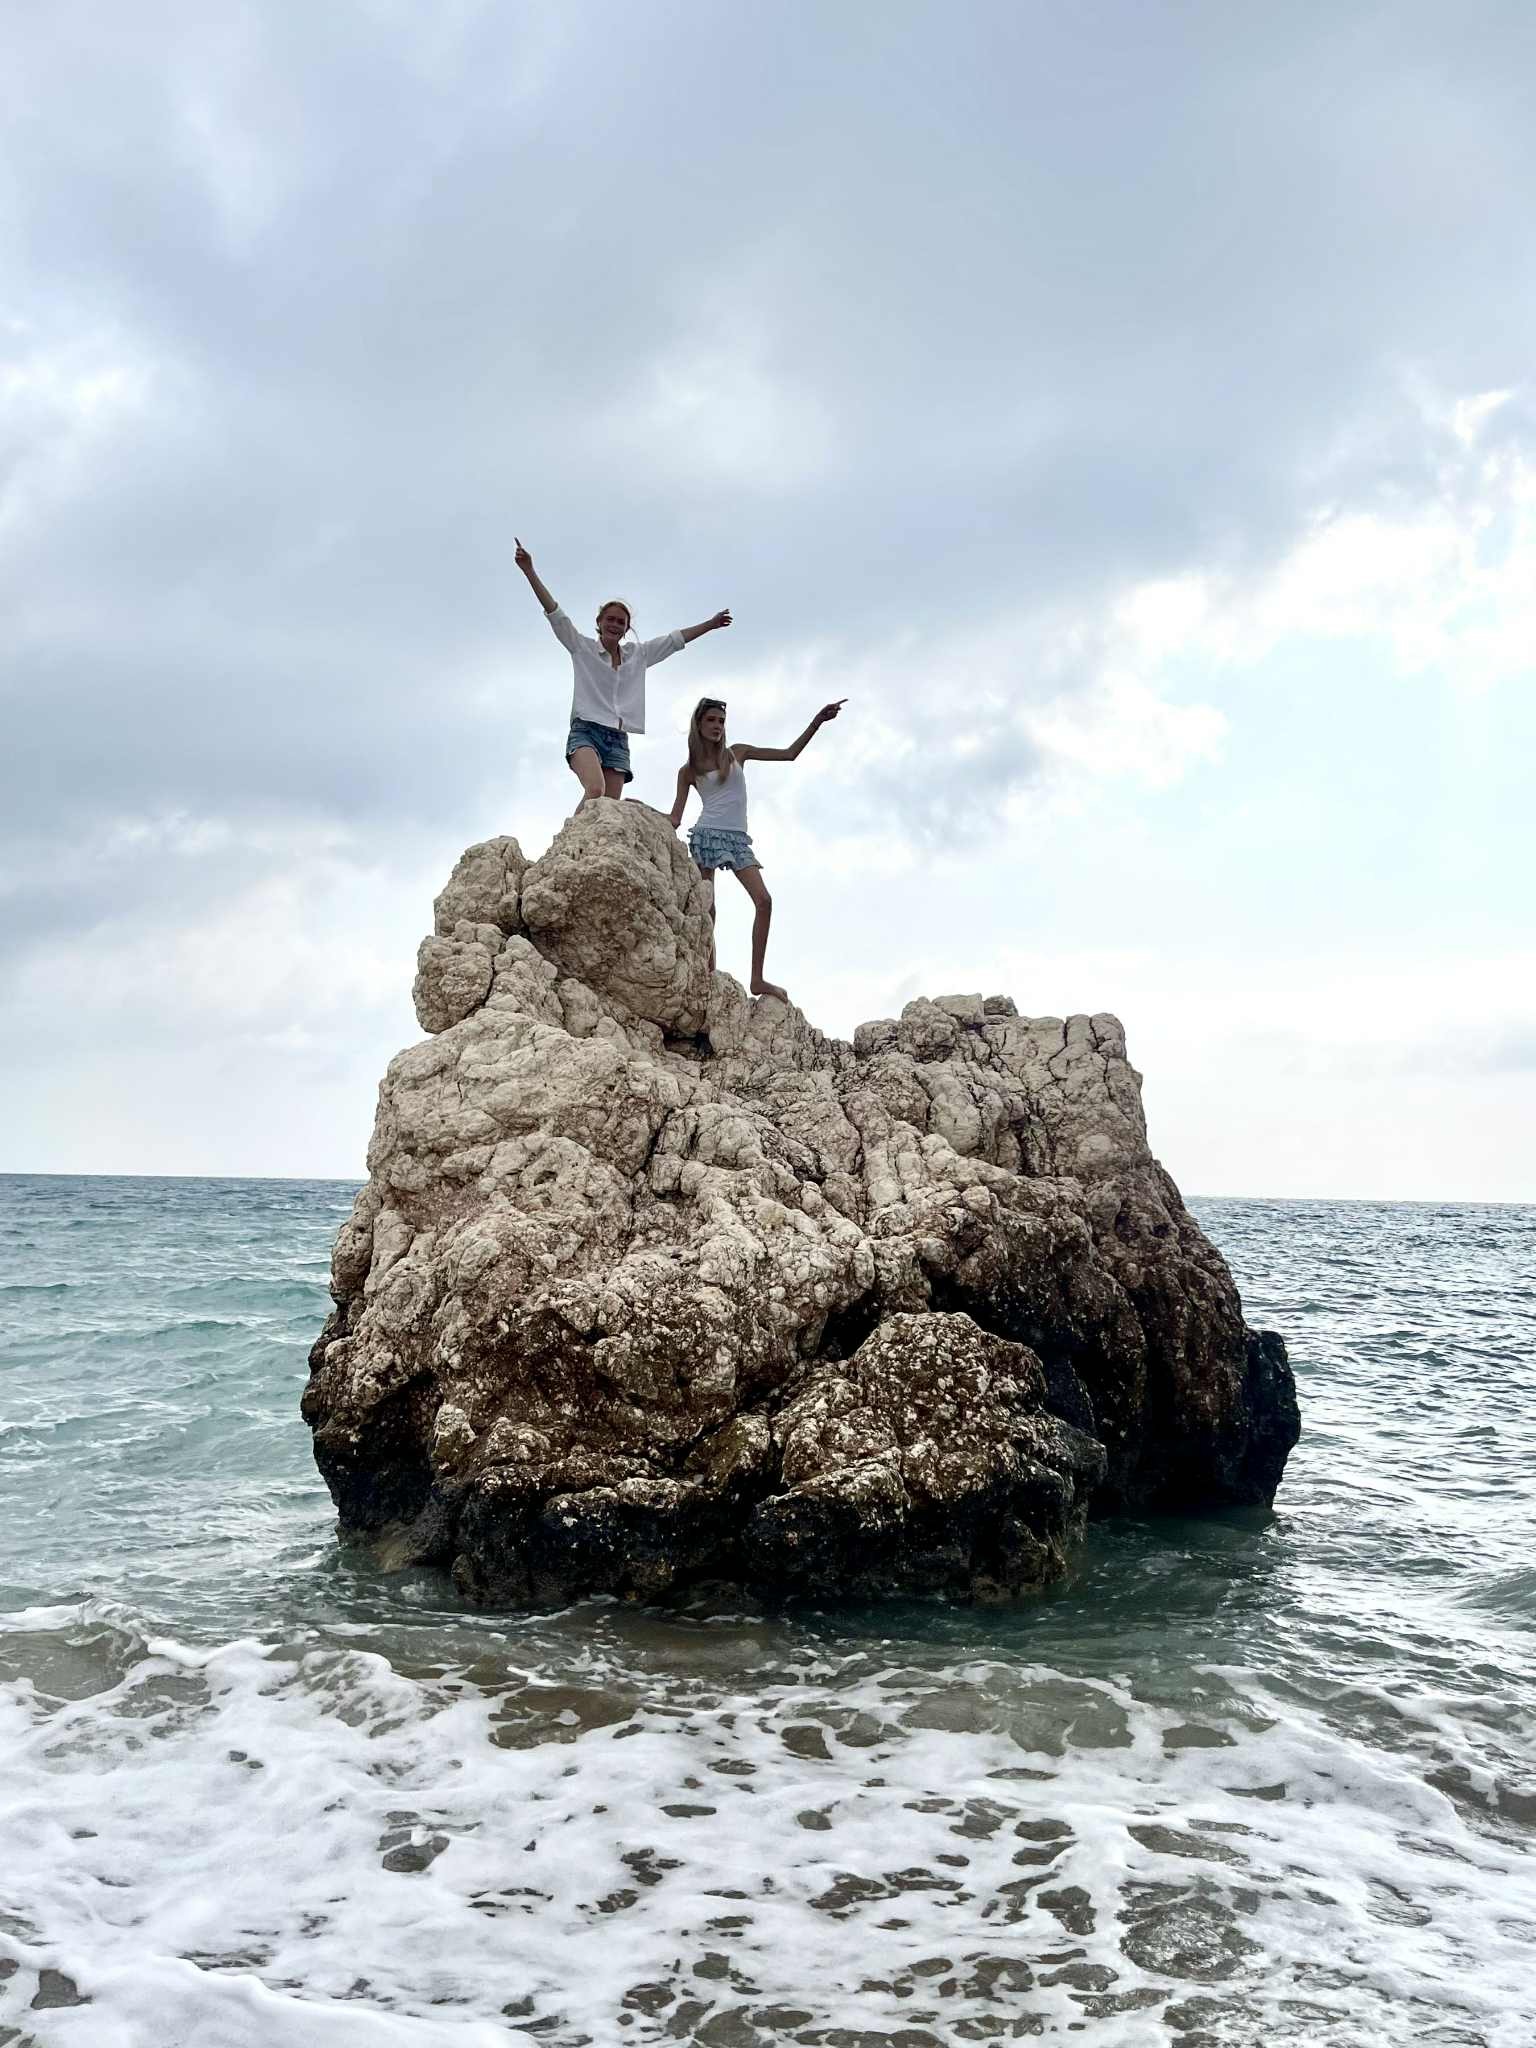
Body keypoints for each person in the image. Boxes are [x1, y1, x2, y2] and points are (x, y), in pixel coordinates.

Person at [513, 538, 732, 804]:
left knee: (609, 806)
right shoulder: (582, 648)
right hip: (586, 731)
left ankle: (590, 845)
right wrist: (529, 571)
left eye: (621, 622)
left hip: (617, 738)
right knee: (595, 791)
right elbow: (555, 612)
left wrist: (710, 624)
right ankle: (570, 845)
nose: (615, 625)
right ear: (599, 623)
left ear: (627, 628)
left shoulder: (637, 656)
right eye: (610, 620)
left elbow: (676, 640)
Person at [670, 695, 845, 1002]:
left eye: (721, 721)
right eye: (711, 720)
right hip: (707, 836)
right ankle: (710, 977)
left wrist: (818, 721)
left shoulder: (739, 753)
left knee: (764, 901)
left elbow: (790, 754)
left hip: (738, 840)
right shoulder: (689, 771)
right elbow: (674, 818)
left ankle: (757, 979)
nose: (717, 726)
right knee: (707, 910)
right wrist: (639, 809)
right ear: (699, 724)